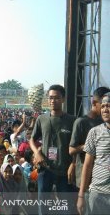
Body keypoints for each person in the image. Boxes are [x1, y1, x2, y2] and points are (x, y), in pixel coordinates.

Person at [29, 84, 77, 214]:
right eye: (50, 98)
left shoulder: (72, 120)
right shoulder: (41, 119)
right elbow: (31, 140)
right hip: (45, 170)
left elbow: (76, 146)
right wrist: (36, 153)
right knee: (43, 208)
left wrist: (73, 163)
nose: (52, 101)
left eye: (56, 98)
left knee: (65, 209)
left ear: (63, 99)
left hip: (64, 171)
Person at [69, 87, 110, 189]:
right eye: (103, 104)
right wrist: (90, 145)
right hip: (84, 174)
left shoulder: (105, 122)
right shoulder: (81, 122)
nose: (105, 108)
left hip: (102, 178)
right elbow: (71, 150)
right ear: (94, 102)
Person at [77, 92, 110, 214]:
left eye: (109, 106)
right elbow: (87, 165)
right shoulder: (94, 132)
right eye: (103, 106)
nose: (105, 109)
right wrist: (81, 195)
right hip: (97, 194)